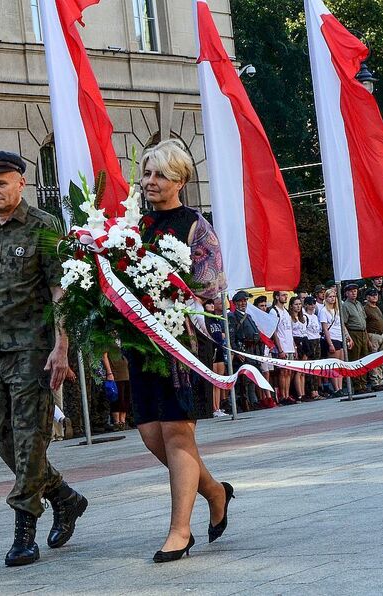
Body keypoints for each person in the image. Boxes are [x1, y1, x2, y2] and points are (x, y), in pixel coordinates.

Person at [0, 150, 87, 567]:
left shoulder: (43, 227)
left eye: (2, 183)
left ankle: (24, 531)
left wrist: (62, 346)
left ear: (21, 183)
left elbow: (61, 292)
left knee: (29, 437)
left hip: (33, 350)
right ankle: (64, 496)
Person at [124, 139, 234, 563]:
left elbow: (212, 290)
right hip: (139, 342)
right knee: (152, 434)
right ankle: (214, 491)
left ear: (180, 181)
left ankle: (179, 530)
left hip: (180, 342)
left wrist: (174, 292)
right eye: (147, 173)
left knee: (177, 432)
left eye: (161, 175)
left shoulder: (195, 227)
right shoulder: (131, 225)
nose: (150, 182)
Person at [228, 291, 262, 410]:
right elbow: (231, 337)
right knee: (244, 380)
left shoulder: (248, 316)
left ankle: (252, 401)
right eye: (240, 301)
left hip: (252, 350)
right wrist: (237, 352)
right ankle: (245, 402)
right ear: (235, 303)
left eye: (245, 301)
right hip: (243, 350)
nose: (243, 303)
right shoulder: (232, 316)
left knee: (252, 376)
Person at [319, 289, 350, 397]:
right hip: (332, 338)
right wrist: (330, 343)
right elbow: (325, 328)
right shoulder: (324, 311)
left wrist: (348, 336)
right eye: (330, 297)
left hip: (340, 337)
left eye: (334, 296)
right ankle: (336, 388)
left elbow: (342, 325)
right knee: (334, 364)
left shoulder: (337, 310)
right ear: (326, 298)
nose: (332, 298)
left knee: (340, 364)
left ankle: (340, 387)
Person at [341, 283, 369, 393]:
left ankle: (363, 383)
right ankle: (357, 385)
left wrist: (367, 337)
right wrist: (348, 338)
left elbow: (364, 320)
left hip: (362, 332)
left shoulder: (359, 304)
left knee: (364, 358)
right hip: (354, 333)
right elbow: (344, 323)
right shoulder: (345, 306)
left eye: (355, 291)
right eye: (351, 291)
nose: (354, 293)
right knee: (356, 359)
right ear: (346, 293)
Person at [271, 291, 296, 404]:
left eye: (286, 295)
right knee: (282, 372)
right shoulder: (274, 311)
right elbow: (274, 332)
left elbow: (290, 330)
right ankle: (283, 395)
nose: (285, 297)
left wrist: (294, 347)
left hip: (290, 345)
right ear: (277, 297)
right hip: (282, 345)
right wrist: (280, 349)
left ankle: (287, 394)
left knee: (289, 372)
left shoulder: (286, 311)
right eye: (283, 295)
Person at [363, 289, 383, 391]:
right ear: (367, 297)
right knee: (373, 358)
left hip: (381, 334)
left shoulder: (377, 308)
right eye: (372, 295)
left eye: (375, 295)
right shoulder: (366, 308)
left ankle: (380, 381)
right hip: (372, 334)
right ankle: (375, 382)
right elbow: (364, 325)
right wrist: (367, 338)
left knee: (380, 359)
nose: (374, 297)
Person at [302, 297, 323, 399]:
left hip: (317, 340)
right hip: (310, 341)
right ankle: (311, 391)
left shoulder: (315, 316)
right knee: (310, 367)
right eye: (310, 304)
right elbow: (304, 331)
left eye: (314, 303)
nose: (312, 306)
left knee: (316, 366)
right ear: (305, 305)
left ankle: (316, 389)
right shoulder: (305, 317)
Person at [289, 296, 307, 401]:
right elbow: (290, 333)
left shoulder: (302, 317)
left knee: (303, 370)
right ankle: (299, 394)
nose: (298, 306)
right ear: (291, 306)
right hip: (296, 341)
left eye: (300, 304)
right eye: (296, 304)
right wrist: (294, 347)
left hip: (304, 340)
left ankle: (303, 393)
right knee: (298, 370)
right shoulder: (290, 318)